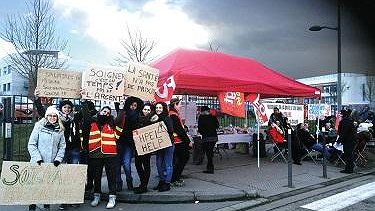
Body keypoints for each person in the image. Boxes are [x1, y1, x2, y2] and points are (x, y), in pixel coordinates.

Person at [27, 106, 66, 211]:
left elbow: (62, 146)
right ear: (46, 116)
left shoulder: (60, 130)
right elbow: (31, 144)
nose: (52, 118)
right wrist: (37, 158)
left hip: (52, 163)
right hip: (38, 162)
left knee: (48, 185)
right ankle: (32, 205)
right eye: (50, 115)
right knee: (35, 185)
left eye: (55, 116)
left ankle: (46, 205)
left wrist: (58, 159)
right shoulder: (38, 126)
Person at [87, 106, 119, 209]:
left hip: (110, 153)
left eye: (108, 113)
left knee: (111, 176)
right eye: (104, 111)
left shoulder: (112, 123)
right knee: (96, 176)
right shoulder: (92, 121)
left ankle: (112, 197)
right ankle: (97, 196)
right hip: (96, 152)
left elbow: (120, 119)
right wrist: (83, 102)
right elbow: (85, 115)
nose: (106, 113)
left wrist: (122, 107)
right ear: (100, 111)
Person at [116, 96, 143, 191]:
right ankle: (118, 183)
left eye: (135, 105)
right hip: (119, 142)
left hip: (129, 144)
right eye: (131, 105)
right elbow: (117, 120)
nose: (132, 107)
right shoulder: (123, 113)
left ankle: (129, 181)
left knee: (126, 164)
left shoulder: (138, 116)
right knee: (117, 165)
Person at [133, 103, 157, 194]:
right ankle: (143, 183)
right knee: (137, 164)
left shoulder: (153, 119)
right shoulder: (138, 117)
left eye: (148, 110)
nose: (146, 111)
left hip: (147, 146)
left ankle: (144, 185)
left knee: (146, 164)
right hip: (138, 145)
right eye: (145, 109)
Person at [169, 98, 190, 186]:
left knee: (177, 160)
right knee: (184, 158)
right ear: (175, 105)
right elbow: (179, 130)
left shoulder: (173, 114)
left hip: (176, 141)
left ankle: (174, 178)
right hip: (178, 141)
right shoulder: (173, 115)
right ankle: (174, 178)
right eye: (180, 104)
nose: (181, 106)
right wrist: (188, 141)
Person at [153, 102, 174, 192]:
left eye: (160, 108)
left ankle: (167, 183)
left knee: (168, 164)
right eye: (157, 108)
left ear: (164, 109)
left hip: (168, 144)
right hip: (159, 145)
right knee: (158, 163)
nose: (158, 109)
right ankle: (162, 181)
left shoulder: (167, 118)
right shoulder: (154, 118)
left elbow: (170, 130)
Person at [198, 106, 219, 174]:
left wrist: (203, 132)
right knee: (210, 152)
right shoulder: (213, 117)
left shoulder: (201, 118)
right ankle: (209, 166)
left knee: (208, 153)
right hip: (214, 137)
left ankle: (210, 168)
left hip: (206, 138)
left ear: (203, 111)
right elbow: (217, 126)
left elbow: (200, 129)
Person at [337, 109, 356, 174]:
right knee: (349, 155)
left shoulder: (345, 122)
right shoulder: (349, 121)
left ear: (342, 115)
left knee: (348, 155)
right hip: (351, 140)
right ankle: (350, 168)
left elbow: (343, 133)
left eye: (340, 114)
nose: (339, 115)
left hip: (348, 141)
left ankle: (348, 169)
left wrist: (338, 141)